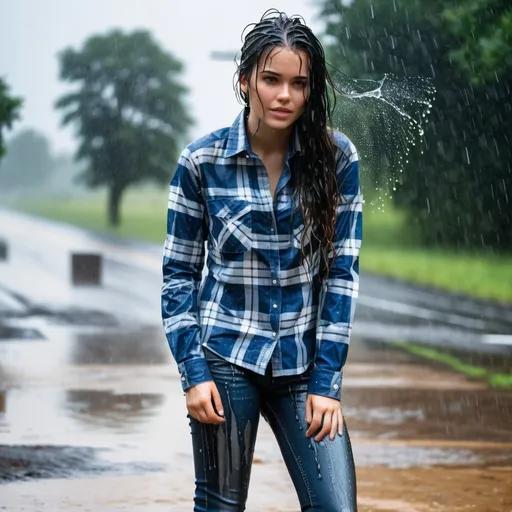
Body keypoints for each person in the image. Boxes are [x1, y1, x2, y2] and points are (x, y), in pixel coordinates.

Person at [161, 9, 362, 511]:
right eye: (271, 79)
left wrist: (327, 383)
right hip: (226, 359)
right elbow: (178, 275)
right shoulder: (200, 162)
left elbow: (342, 275)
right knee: (220, 506)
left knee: (335, 507)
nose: (285, 96)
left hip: (304, 364)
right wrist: (193, 372)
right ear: (245, 78)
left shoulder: (338, 159)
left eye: (299, 83)